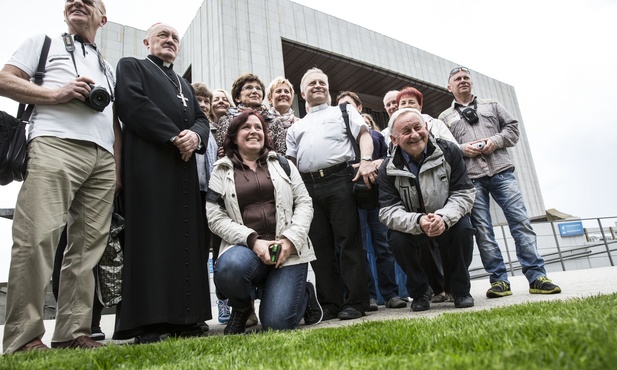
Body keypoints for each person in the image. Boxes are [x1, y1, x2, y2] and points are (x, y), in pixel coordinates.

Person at [0, 0, 118, 353]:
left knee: (87, 249)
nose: (78, 2)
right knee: (37, 237)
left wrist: (117, 167)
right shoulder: (44, 42)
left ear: (103, 17)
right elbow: (5, 80)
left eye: (90, 0)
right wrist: (57, 93)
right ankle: (24, 337)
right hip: (53, 144)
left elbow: (113, 121)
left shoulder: (107, 66)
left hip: (103, 158)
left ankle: (72, 332)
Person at [112, 23, 212, 344]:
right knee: (151, 238)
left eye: (174, 38)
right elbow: (130, 102)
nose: (170, 41)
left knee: (185, 239)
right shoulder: (133, 66)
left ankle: (186, 318)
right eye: (162, 36)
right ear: (147, 42)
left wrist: (195, 136)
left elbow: (202, 119)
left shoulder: (183, 83)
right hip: (148, 167)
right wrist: (173, 137)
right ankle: (150, 321)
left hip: (182, 171)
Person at [439, 66, 562, 298]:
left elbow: (513, 129)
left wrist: (494, 141)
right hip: (471, 179)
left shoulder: (492, 105)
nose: (463, 81)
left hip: (502, 172)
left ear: (471, 83)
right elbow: (444, 147)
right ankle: (499, 281)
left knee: (520, 222)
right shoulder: (444, 118)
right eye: (457, 79)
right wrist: (463, 149)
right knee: (483, 231)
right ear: (450, 87)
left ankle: (536, 276)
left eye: (466, 78)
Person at [206, 110, 322, 334]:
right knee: (229, 268)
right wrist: (252, 241)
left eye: (258, 127)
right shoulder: (220, 169)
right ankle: (241, 308)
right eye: (246, 127)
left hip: (287, 251)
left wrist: (290, 240)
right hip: (246, 250)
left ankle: (304, 294)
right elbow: (214, 216)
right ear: (234, 136)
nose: (253, 132)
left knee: (276, 325)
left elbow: (305, 203)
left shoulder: (284, 164)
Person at [286, 68, 373, 321]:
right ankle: (330, 303)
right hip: (308, 187)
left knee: (348, 242)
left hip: (340, 180)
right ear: (302, 93)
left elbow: (364, 135)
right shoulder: (296, 127)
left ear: (328, 88)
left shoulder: (343, 111)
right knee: (320, 248)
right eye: (311, 83)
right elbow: (291, 161)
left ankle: (355, 302)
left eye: (322, 82)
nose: (317, 86)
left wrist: (366, 159)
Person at [378, 108, 476, 311]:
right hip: (415, 225)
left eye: (417, 127)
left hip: (447, 218)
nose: (414, 135)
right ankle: (420, 293)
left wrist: (443, 217)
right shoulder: (387, 167)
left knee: (464, 227)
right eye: (406, 131)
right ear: (394, 139)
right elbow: (388, 211)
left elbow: (464, 193)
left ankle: (460, 291)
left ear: (427, 127)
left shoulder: (449, 151)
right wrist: (418, 222)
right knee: (396, 238)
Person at [336, 91, 405, 312]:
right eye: (340, 107)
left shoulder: (375, 136)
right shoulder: (337, 135)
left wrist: (375, 163)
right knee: (359, 249)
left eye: (348, 105)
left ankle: (391, 294)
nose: (344, 110)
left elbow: (390, 158)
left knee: (384, 246)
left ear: (358, 107)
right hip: (351, 199)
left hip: (376, 196)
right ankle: (370, 296)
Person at [192, 82, 219, 328]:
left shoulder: (211, 133)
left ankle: (199, 313)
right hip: (188, 195)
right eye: (198, 100)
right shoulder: (187, 126)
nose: (203, 105)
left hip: (207, 197)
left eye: (206, 102)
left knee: (202, 254)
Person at [208, 88, 235, 324]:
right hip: (209, 190)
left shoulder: (235, 125)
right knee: (216, 250)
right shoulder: (204, 128)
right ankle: (223, 301)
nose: (220, 101)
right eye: (215, 98)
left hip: (231, 191)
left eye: (224, 97)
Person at [215, 73, 286, 156]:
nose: (255, 91)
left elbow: (281, 154)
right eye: (248, 87)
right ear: (237, 97)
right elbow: (220, 152)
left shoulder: (274, 122)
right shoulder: (226, 120)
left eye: (258, 89)